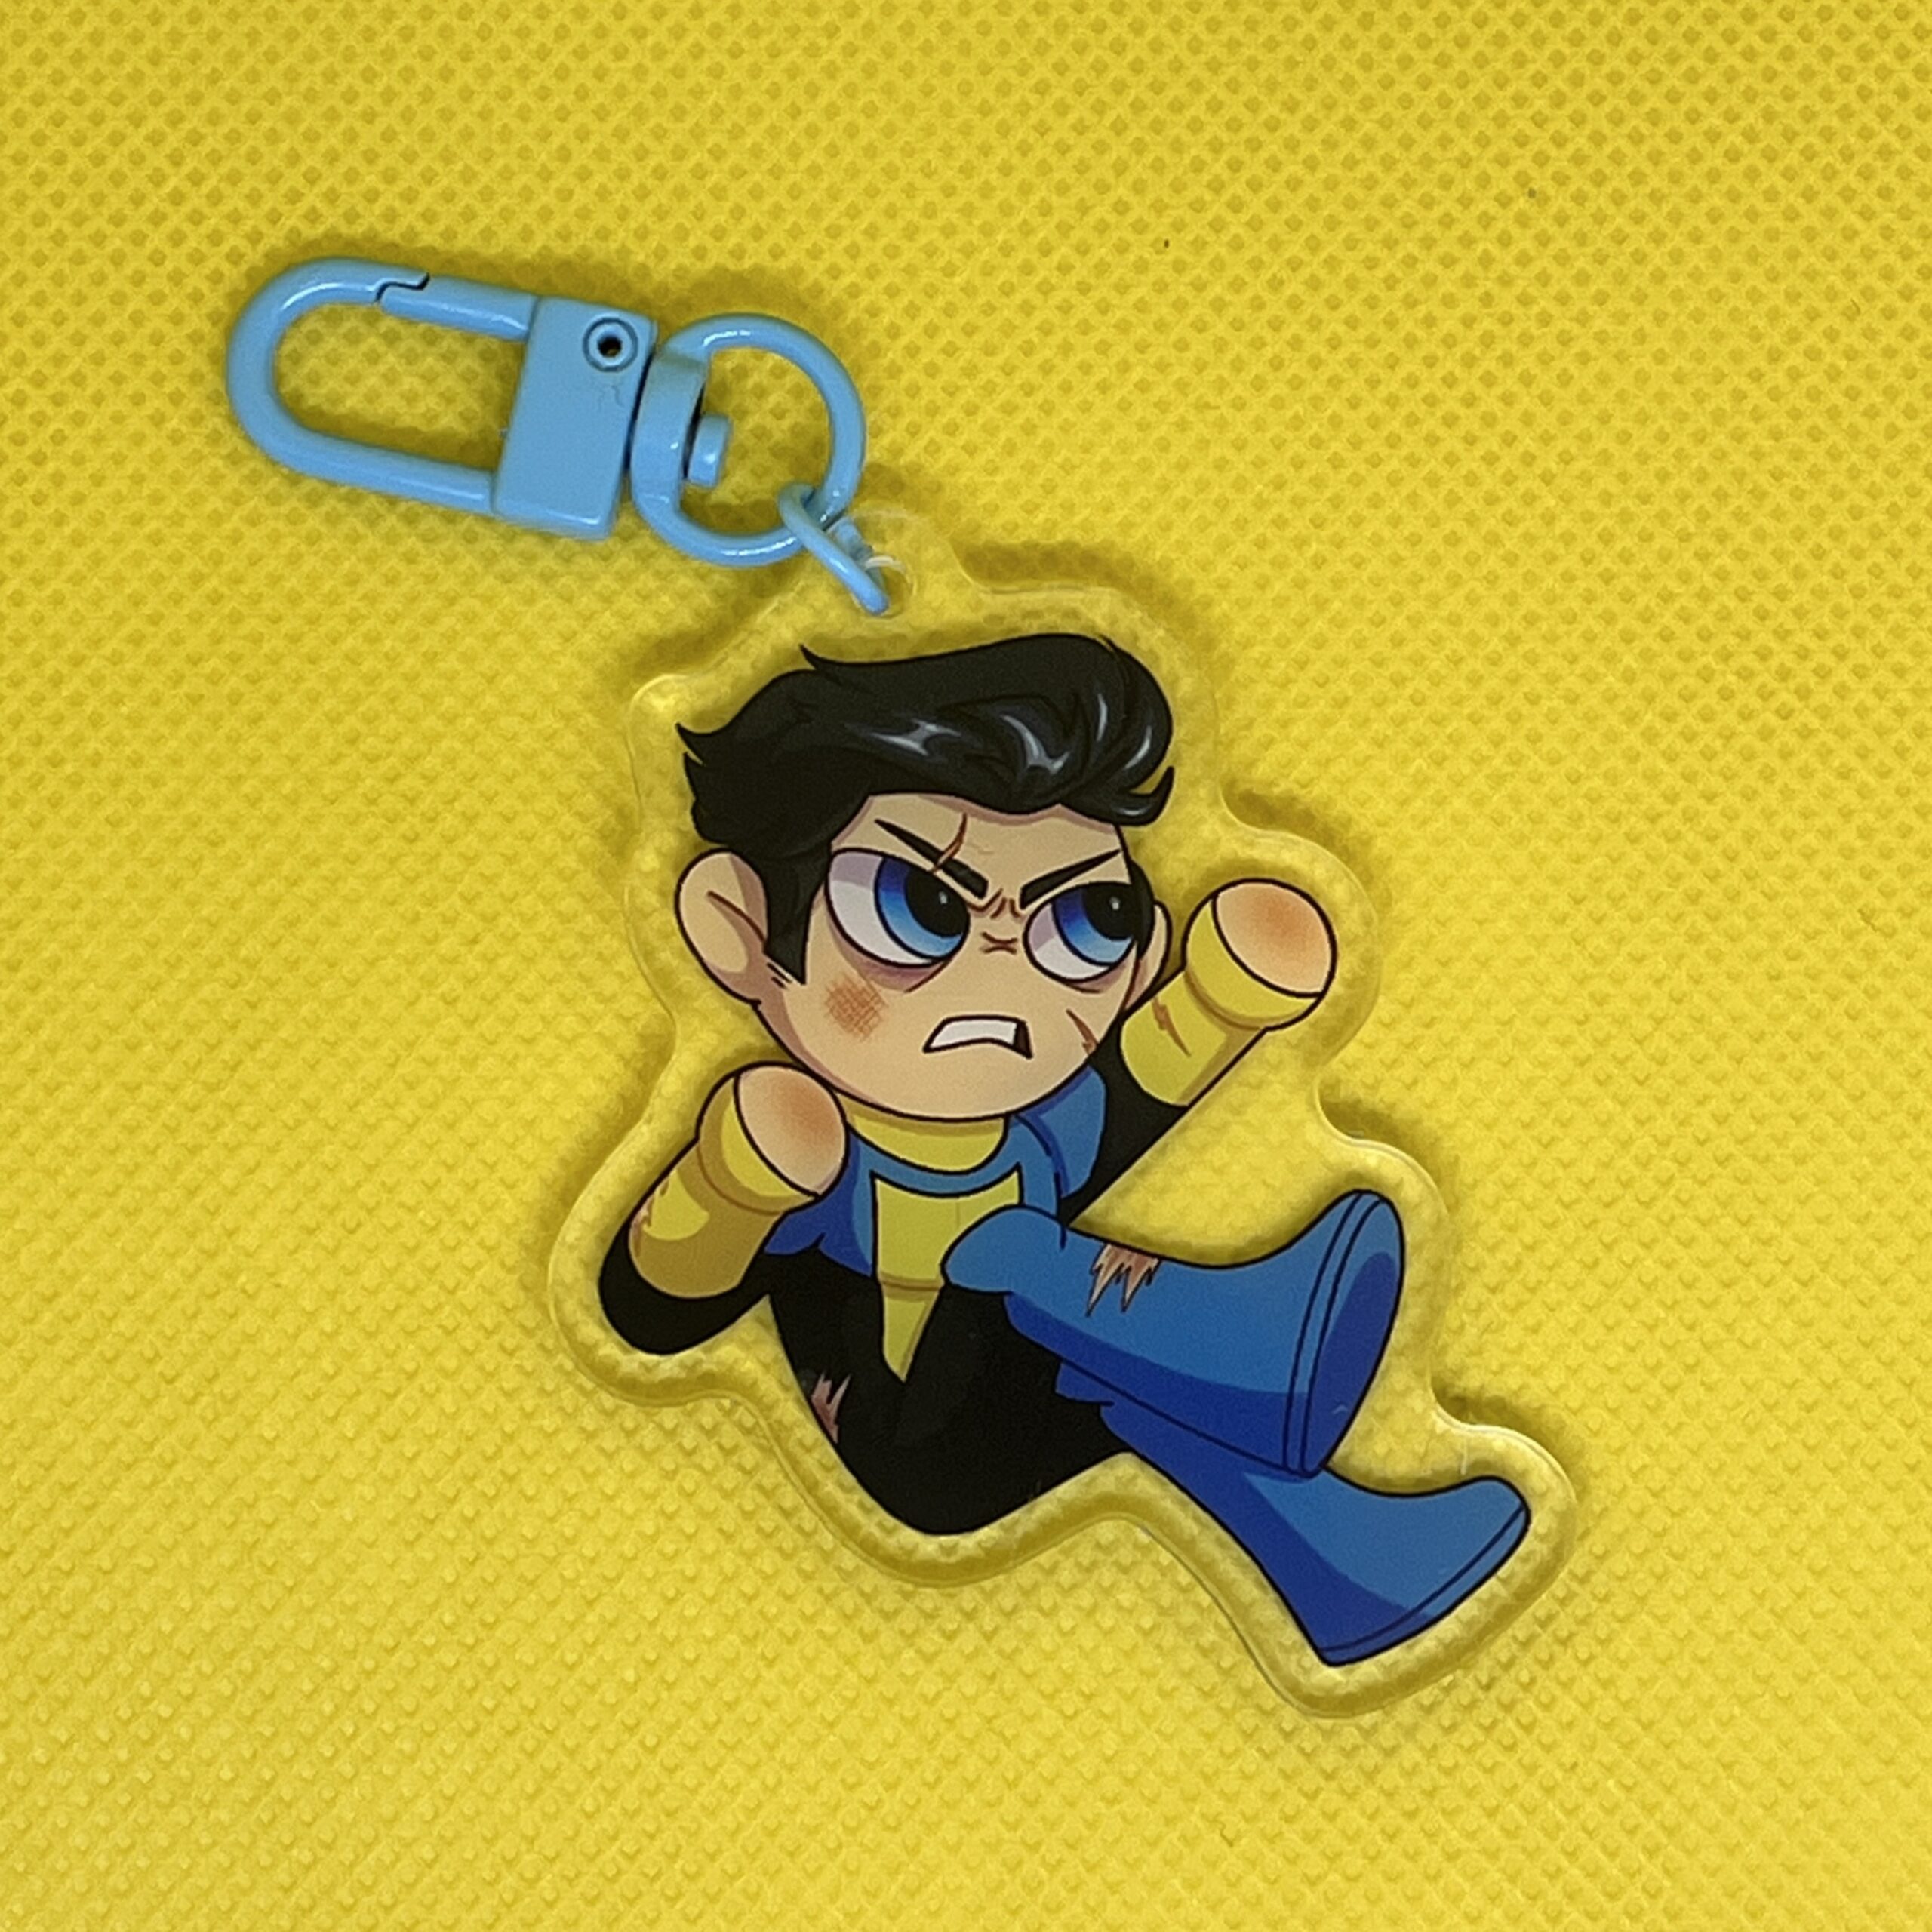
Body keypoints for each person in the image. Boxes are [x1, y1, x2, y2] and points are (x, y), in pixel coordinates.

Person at [598, 634, 1527, 1665]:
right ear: (740, 927)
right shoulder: (827, 1167)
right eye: (915, 907)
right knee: (1008, 1258)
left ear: (1137, 957)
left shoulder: (1025, 1139)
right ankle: (1255, 1348)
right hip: (913, 1439)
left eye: (1089, 918)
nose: (1005, 971)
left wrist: (1224, 997)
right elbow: (649, 1310)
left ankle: (1361, 1570)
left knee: (1167, 1406)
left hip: (1030, 1391)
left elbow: (1134, 1093)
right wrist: (730, 1183)